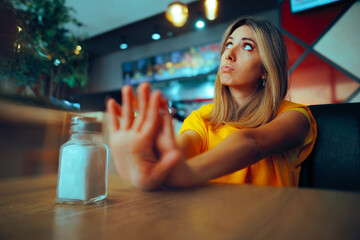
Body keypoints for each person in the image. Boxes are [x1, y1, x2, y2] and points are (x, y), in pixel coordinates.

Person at [106, 16, 317, 191]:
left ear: (266, 69)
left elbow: (254, 143)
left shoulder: (295, 116)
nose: (229, 55)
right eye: (228, 44)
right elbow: (181, 149)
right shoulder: (203, 117)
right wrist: (152, 158)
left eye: (247, 47)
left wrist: (187, 173)